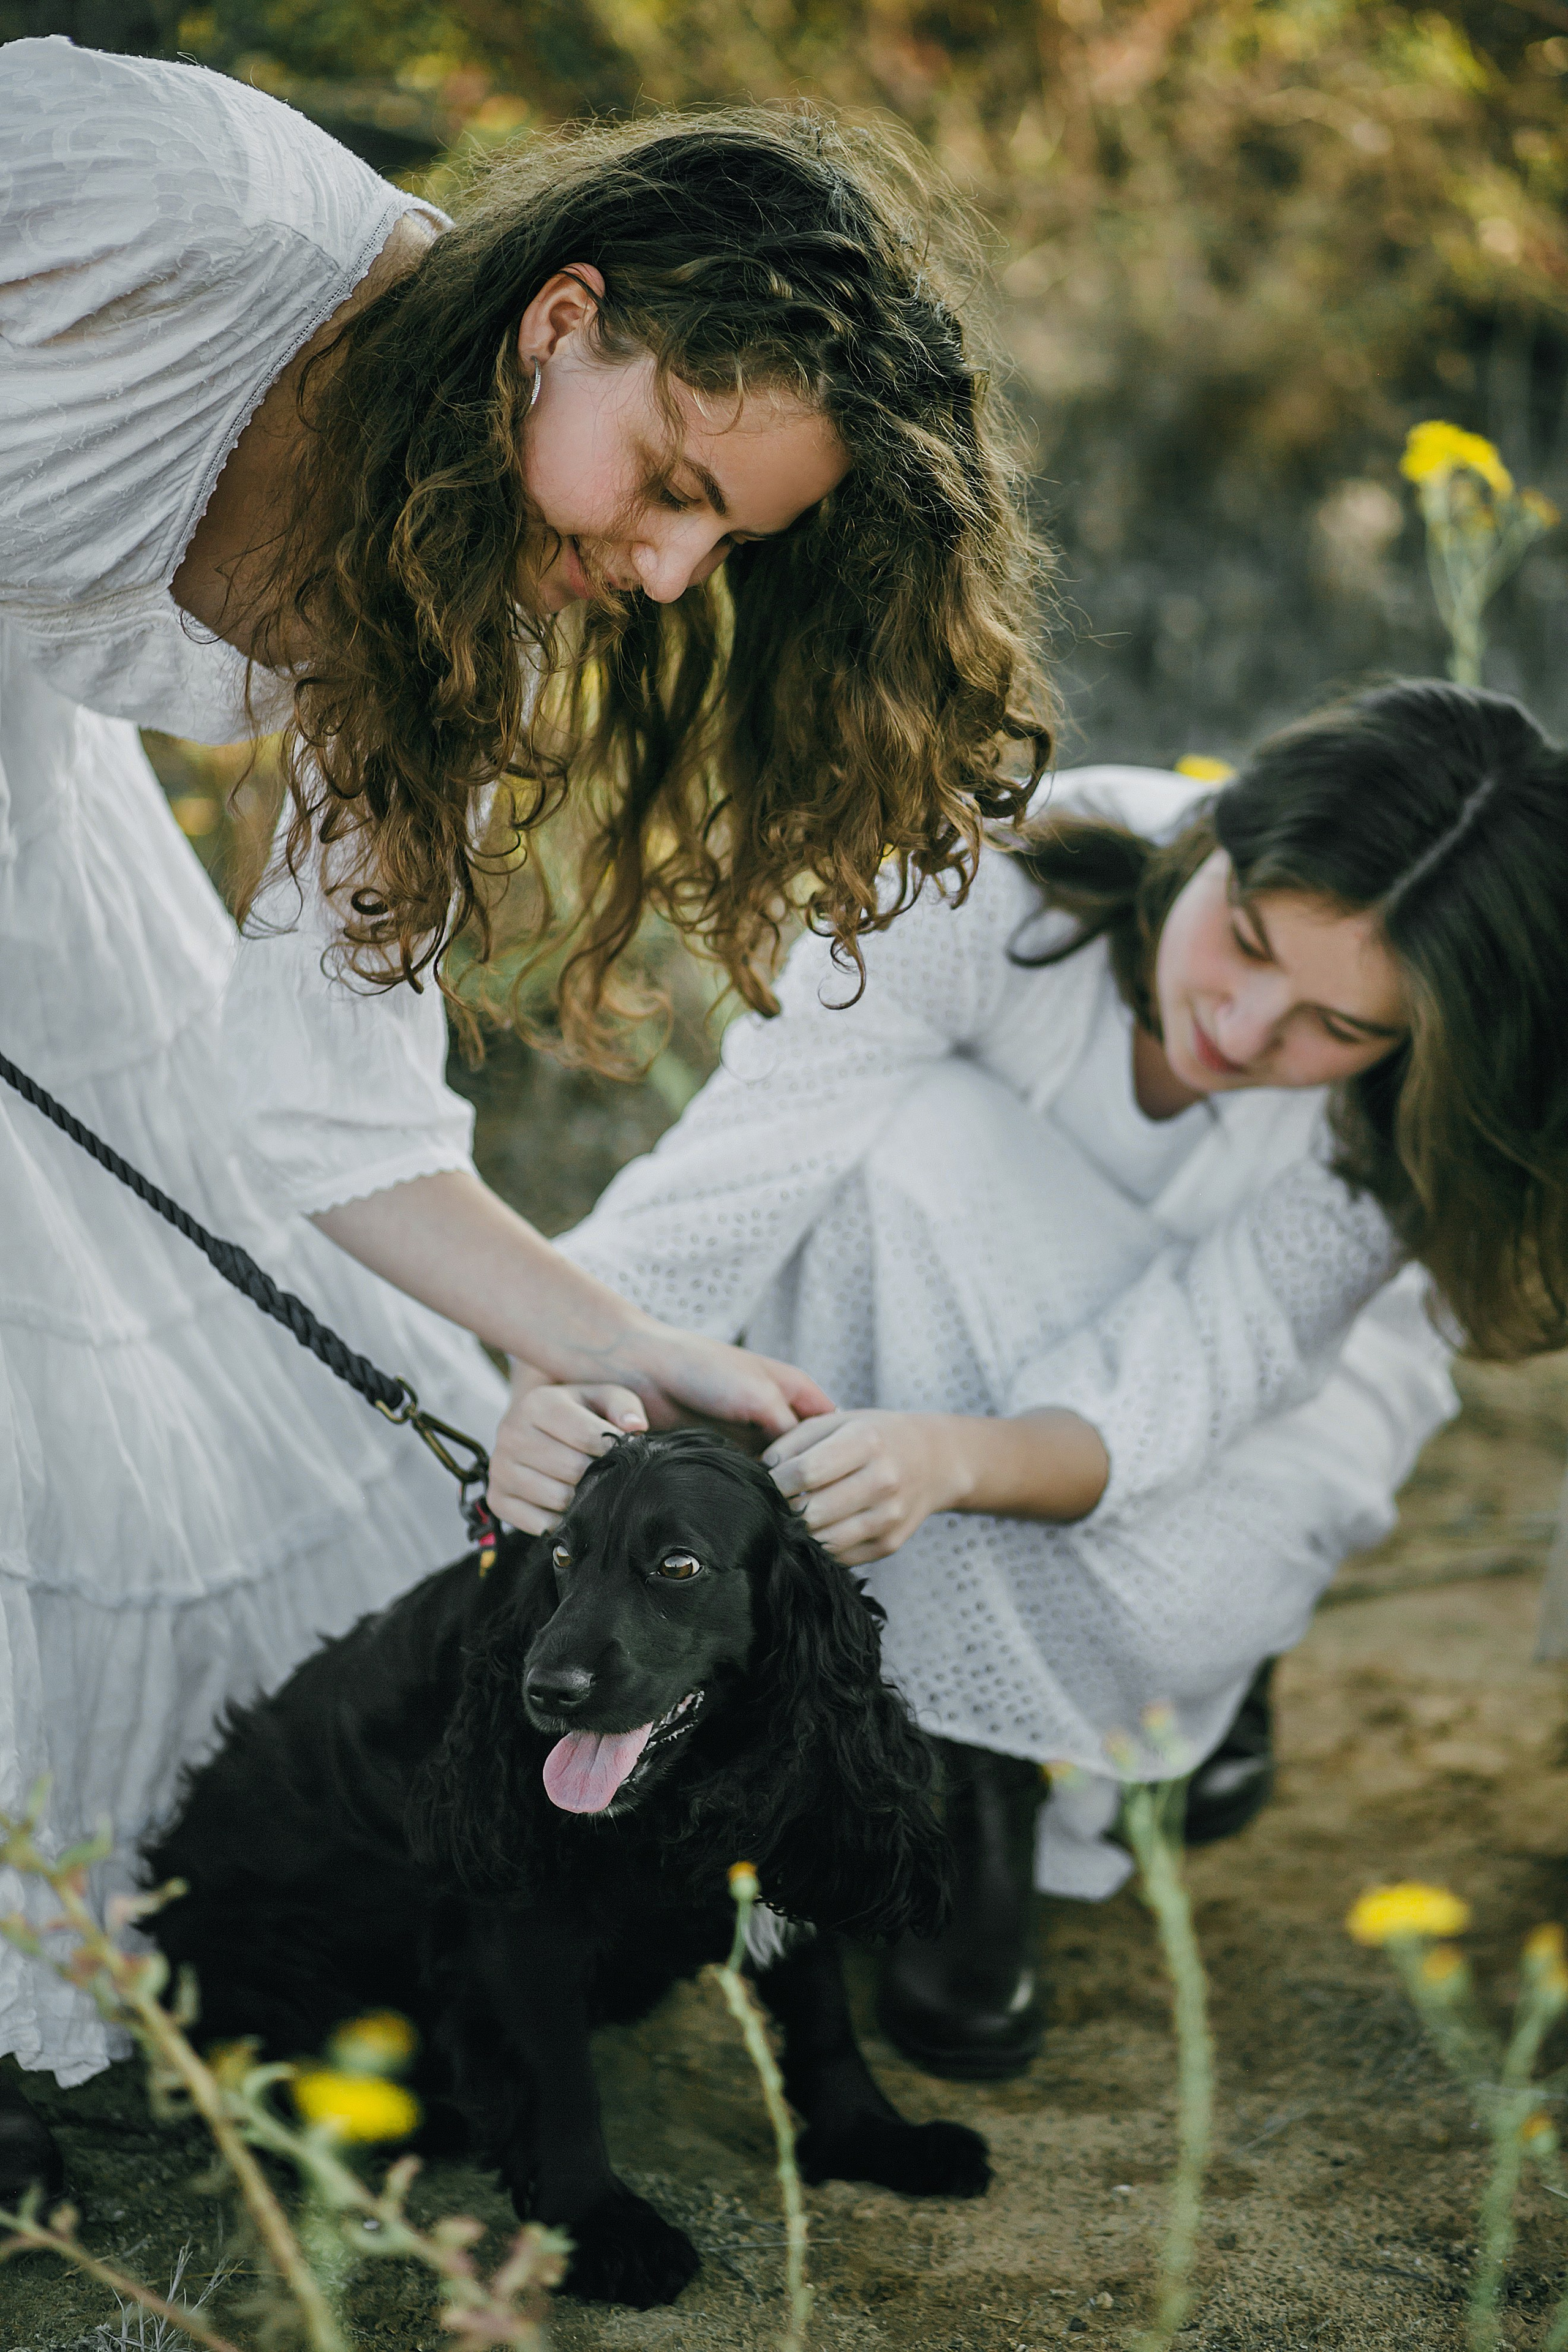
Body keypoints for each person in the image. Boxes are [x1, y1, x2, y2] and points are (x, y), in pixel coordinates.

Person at [0, 37, 1049, 2179]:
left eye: (720, 539)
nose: (665, 573)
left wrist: (617, 1347)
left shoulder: (451, 626)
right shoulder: (182, 206)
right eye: (669, 481)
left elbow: (332, 1118)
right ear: (563, 318)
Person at [501, 680, 1568, 2079]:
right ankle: (927, 1751)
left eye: (1337, 1025)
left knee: (1161, 1587)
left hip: (1257, 1405)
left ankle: (988, 1762)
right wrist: (567, 1386)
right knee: (902, 1157)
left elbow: (1184, 1378)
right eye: (1246, 940)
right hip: (924, 1291)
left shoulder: (1397, 1122)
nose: (1244, 1028)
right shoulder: (984, 885)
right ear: (1214, 837)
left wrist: (948, 1458)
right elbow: (729, 1180)